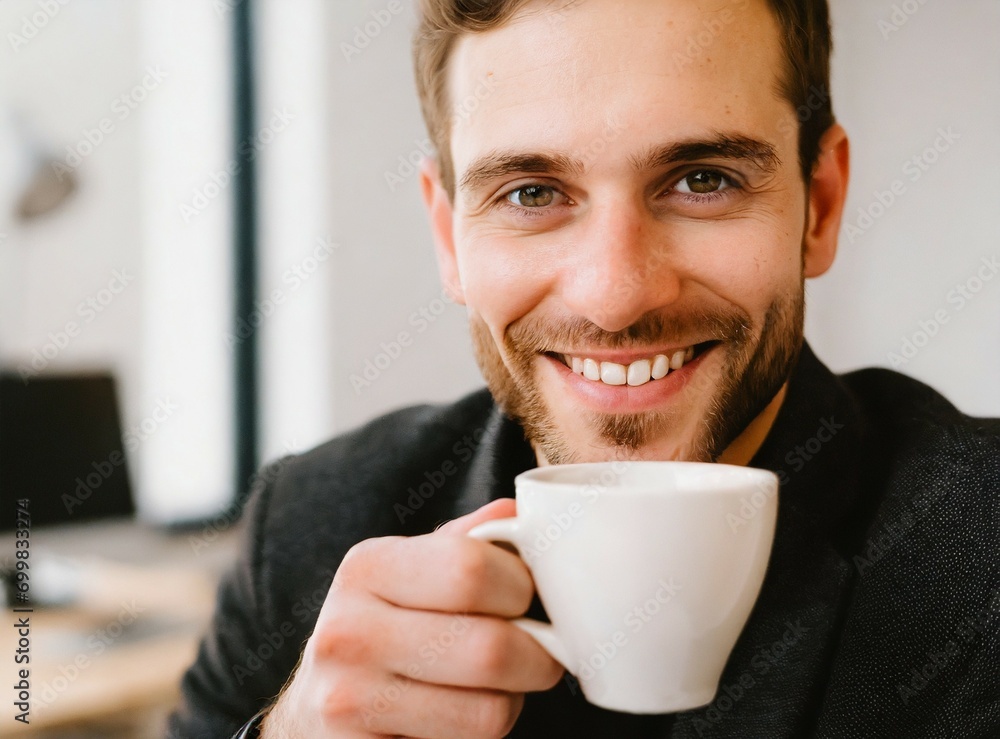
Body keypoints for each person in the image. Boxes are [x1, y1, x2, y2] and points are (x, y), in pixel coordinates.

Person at [168, 0, 1000, 736]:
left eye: (701, 180)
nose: (614, 296)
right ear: (449, 235)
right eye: (531, 193)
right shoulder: (305, 530)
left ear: (819, 204)